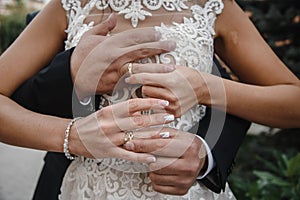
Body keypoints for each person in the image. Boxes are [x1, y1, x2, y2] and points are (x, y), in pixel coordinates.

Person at [0, 0, 298, 199]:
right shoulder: (67, 6)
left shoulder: (213, 6)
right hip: (85, 188)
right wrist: (72, 132)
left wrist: (204, 88)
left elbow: (292, 100)